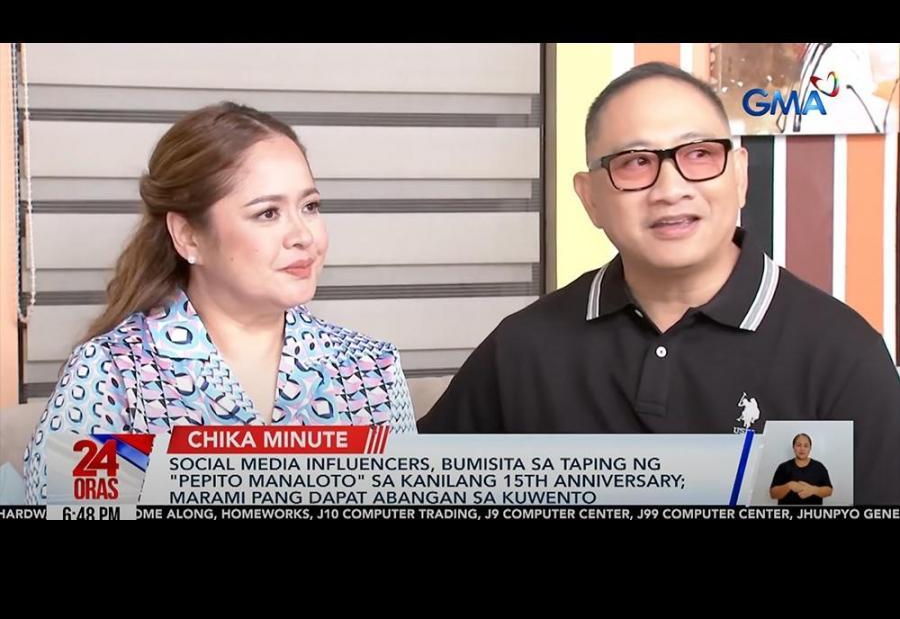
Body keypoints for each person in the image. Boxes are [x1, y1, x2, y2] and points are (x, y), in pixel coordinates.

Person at [418, 62, 900, 504]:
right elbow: (415, 489)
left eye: (699, 154)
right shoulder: (522, 347)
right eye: (635, 162)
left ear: (739, 176)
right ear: (590, 198)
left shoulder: (839, 356)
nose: (670, 190)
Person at [24, 102, 417, 504]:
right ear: (188, 236)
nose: (303, 236)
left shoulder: (372, 369)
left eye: (310, 206)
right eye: (268, 213)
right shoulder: (112, 373)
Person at [770, 434, 833, 505]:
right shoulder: (783, 467)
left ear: (810, 448)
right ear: (793, 447)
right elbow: (773, 494)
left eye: (806, 446)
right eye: (798, 445)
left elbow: (829, 491)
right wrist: (789, 486)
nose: (802, 449)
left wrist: (813, 490)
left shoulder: (819, 467)